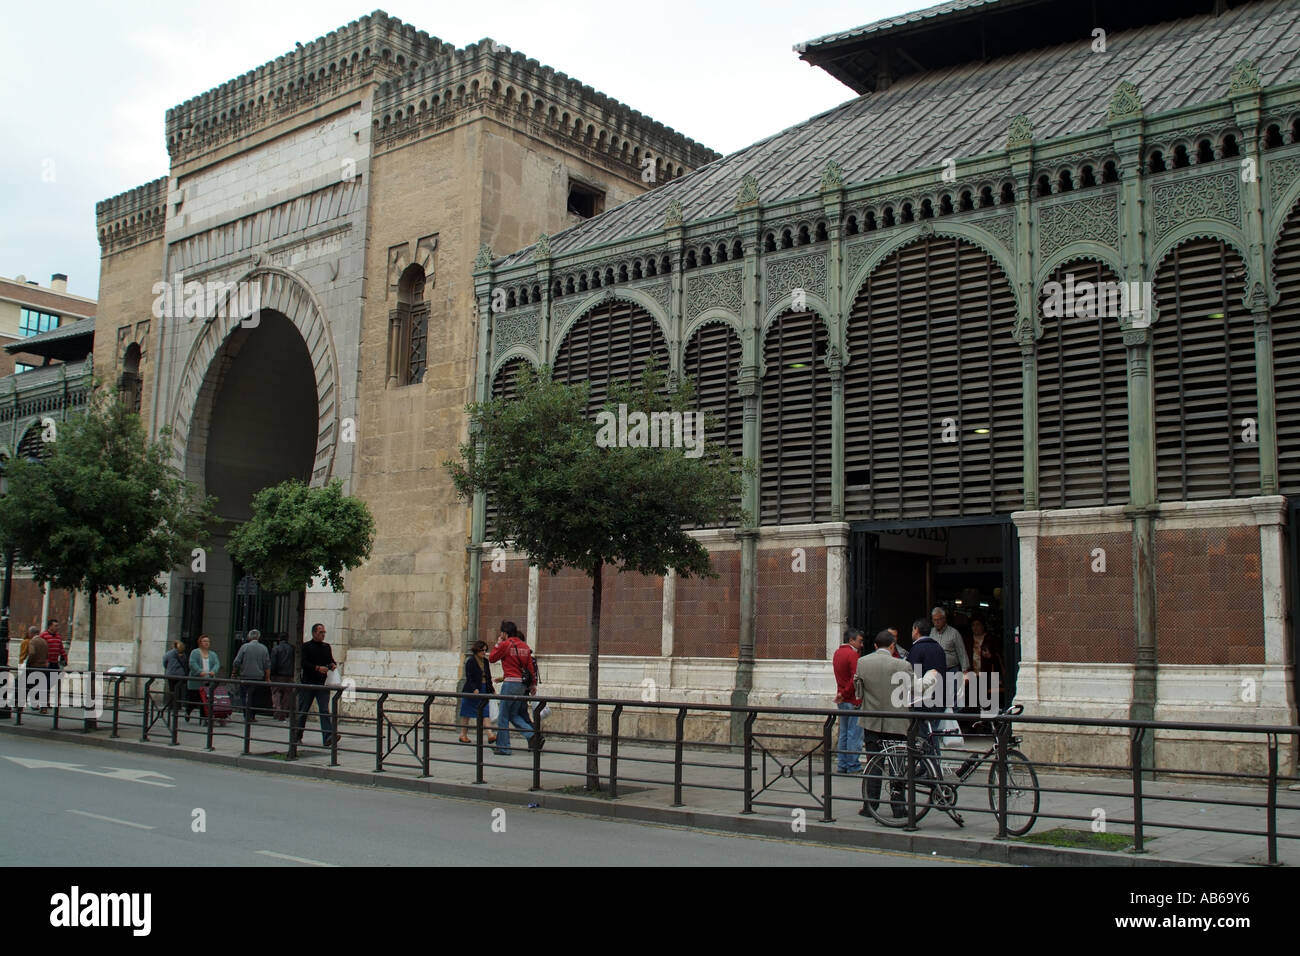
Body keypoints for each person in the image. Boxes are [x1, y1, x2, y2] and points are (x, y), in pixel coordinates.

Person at [854, 628, 915, 818]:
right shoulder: (903, 665)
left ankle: (871, 805)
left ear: (874, 646)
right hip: (896, 724)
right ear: (892, 646)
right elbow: (912, 691)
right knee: (897, 765)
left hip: (872, 722)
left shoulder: (862, 663)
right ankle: (898, 807)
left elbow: (859, 693)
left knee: (874, 763)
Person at [488, 621, 539, 755]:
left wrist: (498, 643)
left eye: (501, 633)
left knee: (503, 717)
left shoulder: (506, 644)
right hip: (522, 685)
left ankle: (504, 747)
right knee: (513, 714)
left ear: (505, 633)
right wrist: (533, 684)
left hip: (510, 683)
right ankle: (531, 734)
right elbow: (530, 668)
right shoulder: (524, 646)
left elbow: (492, 658)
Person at [293, 623, 337, 747]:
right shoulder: (306, 646)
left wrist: (332, 665)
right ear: (314, 633)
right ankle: (297, 736)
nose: (323, 635)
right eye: (320, 632)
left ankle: (328, 737)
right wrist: (317, 668)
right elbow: (304, 663)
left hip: (322, 684)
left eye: (324, 632)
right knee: (303, 711)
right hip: (308, 683)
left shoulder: (326, 647)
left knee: (324, 710)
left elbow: (330, 660)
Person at [832, 628, 865, 773]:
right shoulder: (852, 655)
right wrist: (845, 693)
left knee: (844, 732)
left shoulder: (837, 653)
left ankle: (842, 764)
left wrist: (841, 694)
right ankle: (853, 765)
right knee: (854, 733)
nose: (862, 644)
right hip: (851, 699)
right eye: (860, 641)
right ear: (851, 640)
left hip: (842, 697)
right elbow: (855, 679)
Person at [458, 640, 498, 743]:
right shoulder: (470, 661)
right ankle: (463, 734)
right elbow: (469, 677)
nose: (484, 652)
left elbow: (488, 677)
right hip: (471, 690)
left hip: (484, 688)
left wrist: (492, 689)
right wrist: (474, 688)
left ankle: (490, 734)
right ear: (477, 650)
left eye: (485, 650)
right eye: (482, 650)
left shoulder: (485, 661)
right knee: (466, 713)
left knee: (485, 711)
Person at [232, 628, 271, 722]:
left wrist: (234, 673)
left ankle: (246, 714)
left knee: (244, 696)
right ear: (259, 637)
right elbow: (267, 665)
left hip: (245, 676)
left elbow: (237, 662)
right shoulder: (263, 648)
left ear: (249, 637)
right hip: (258, 677)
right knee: (256, 697)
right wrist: (267, 678)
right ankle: (253, 715)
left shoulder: (244, 647)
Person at [186, 634, 220, 723]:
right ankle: (188, 711)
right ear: (200, 642)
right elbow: (192, 663)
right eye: (204, 641)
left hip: (208, 681)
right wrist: (199, 671)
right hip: (196, 682)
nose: (206, 643)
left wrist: (214, 671)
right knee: (193, 700)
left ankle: (204, 718)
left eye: (208, 641)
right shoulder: (195, 652)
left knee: (205, 700)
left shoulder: (212, 654)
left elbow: (217, 664)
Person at [929, 606, 971, 675]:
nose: (936, 622)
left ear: (944, 619)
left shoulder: (954, 633)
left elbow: (962, 652)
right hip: (935, 671)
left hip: (951, 670)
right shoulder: (930, 632)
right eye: (934, 620)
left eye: (938, 620)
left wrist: (965, 671)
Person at [40, 618, 68, 704]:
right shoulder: (43, 636)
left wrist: (65, 658)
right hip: (46, 663)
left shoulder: (58, 637)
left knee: (52, 681)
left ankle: (45, 699)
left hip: (55, 663)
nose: (57, 627)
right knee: (46, 683)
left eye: (57, 625)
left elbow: (61, 649)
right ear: (50, 626)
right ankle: (44, 702)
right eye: (55, 626)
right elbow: (40, 648)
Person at [269, 634, 295, 721]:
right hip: (289, 675)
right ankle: (283, 713)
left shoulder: (276, 648)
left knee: (276, 693)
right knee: (287, 695)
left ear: (279, 639)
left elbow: (273, 663)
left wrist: (272, 674)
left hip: (278, 675)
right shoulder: (292, 648)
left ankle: (278, 712)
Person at [24, 629, 49, 713]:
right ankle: (44, 708)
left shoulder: (32, 642)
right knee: (42, 688)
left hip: (34, 667)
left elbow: (31, 653)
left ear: (32, 633)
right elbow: (47, 654)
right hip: (43, 668)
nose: (29, 634)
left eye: (29, 633)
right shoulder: (44, 642)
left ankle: (34, 704)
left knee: (31, 687)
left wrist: (28, 663)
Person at [163, 640, 187, 714]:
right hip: (180, 674)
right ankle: (178, 705)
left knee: (172, 690)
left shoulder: (168, 653)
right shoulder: (182, 654)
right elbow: (185, 663)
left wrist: (168, 668)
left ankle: (171, 705)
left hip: (170, 674)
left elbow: (164, 662)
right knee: (178, 690)